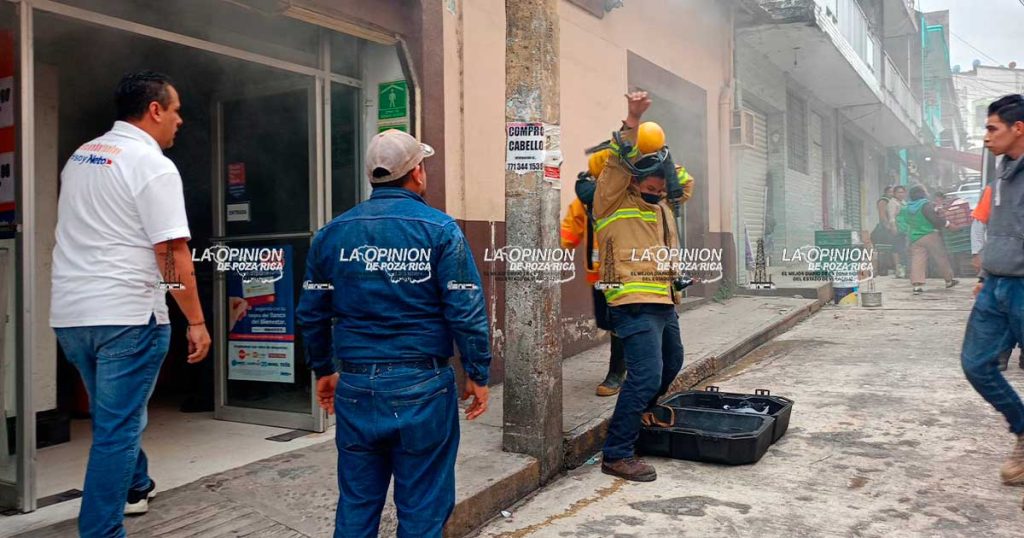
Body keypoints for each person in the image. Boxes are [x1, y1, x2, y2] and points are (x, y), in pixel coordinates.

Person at [296, 129, 491, 537]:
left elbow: (312, 313)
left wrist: (324, 370)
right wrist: (478, 372)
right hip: (423, 387)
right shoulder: (441, 231)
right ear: (417, 173)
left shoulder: (331, 235)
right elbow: (466, 310)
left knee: (357, 503)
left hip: (356, 385)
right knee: (422, 509)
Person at [49, 71, 210, 538]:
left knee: (112, 413)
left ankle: (137, 485)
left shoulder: (82, 156)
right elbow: (172, 252)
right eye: (176, 110)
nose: (180, 120)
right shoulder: (152, 164)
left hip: (73, 314)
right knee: (117, 429)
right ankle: (101, 530)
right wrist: (196, 321)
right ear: (155, 109)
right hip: (127, 314)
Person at [593, 91, 684, 482]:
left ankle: (641, 414)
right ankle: (617, 453)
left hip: (662, 299)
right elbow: (617, 157)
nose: (659, 182)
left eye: (663, 177)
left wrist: (676, 288)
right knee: (645, 374)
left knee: (673, 362)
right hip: (631, 299)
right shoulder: (611, 198)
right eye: (653, 174)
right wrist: (632, 118)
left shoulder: (661, 207)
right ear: (636, 171)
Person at [961, 94, 1024, 487]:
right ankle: (1022, 428)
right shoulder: (1001, 171)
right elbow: (997, 230)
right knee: (976, 364)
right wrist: (985, 275)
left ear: (1018, 128)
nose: (986, 137)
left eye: (992, 128)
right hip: (996, 286)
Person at [970, 184, 1021, 371]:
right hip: (1005, 258)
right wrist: (977, 252)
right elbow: (979, 222)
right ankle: (1001, 353)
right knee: (1004, 308)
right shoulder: (997, 187)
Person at [896, 184, 959, 294]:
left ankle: (917, 285)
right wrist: (948, 224)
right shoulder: (925, 205)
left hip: (915, 237)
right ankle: (949, 280)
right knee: (940, 257)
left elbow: (902, 222)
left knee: (917, 260)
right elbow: (934, 219)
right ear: (922, 194)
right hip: (930, 234)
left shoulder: (906, 208)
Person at [871, 186, 899, 276]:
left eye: (893, 192)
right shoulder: (883, 201)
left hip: (892, 228)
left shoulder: (894, 202)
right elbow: (882, 216)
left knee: (890, 249)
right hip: (883, 230)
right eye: (890, 192)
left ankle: (890, 268)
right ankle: (882, 270)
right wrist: (889, 227)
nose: (892, 194)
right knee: (883, 250)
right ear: (886, 192)